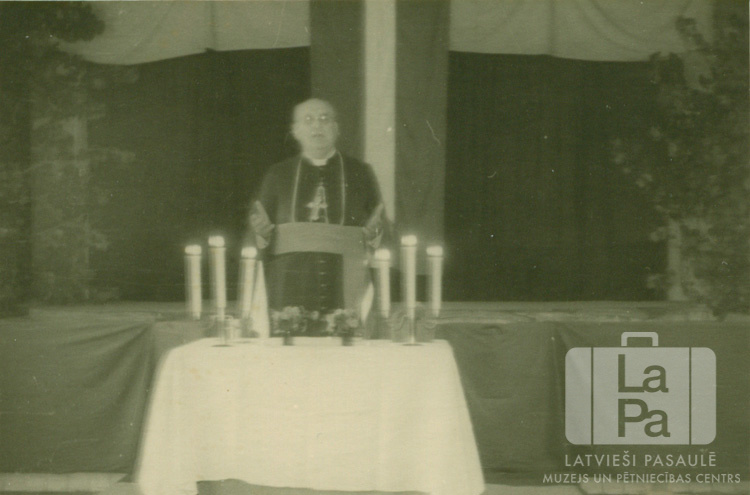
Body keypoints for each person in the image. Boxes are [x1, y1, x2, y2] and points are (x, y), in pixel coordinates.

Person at [247, 98, 388, 315]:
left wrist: (375, 234)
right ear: (295, 131)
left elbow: (380, 227)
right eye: (308, 120)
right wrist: (261, 235)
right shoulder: (277, 174)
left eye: (324, 119)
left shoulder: (361, 172)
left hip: (347, 284)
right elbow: (256, 234)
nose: (317, 126)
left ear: (336, 129)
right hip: (289, 286)